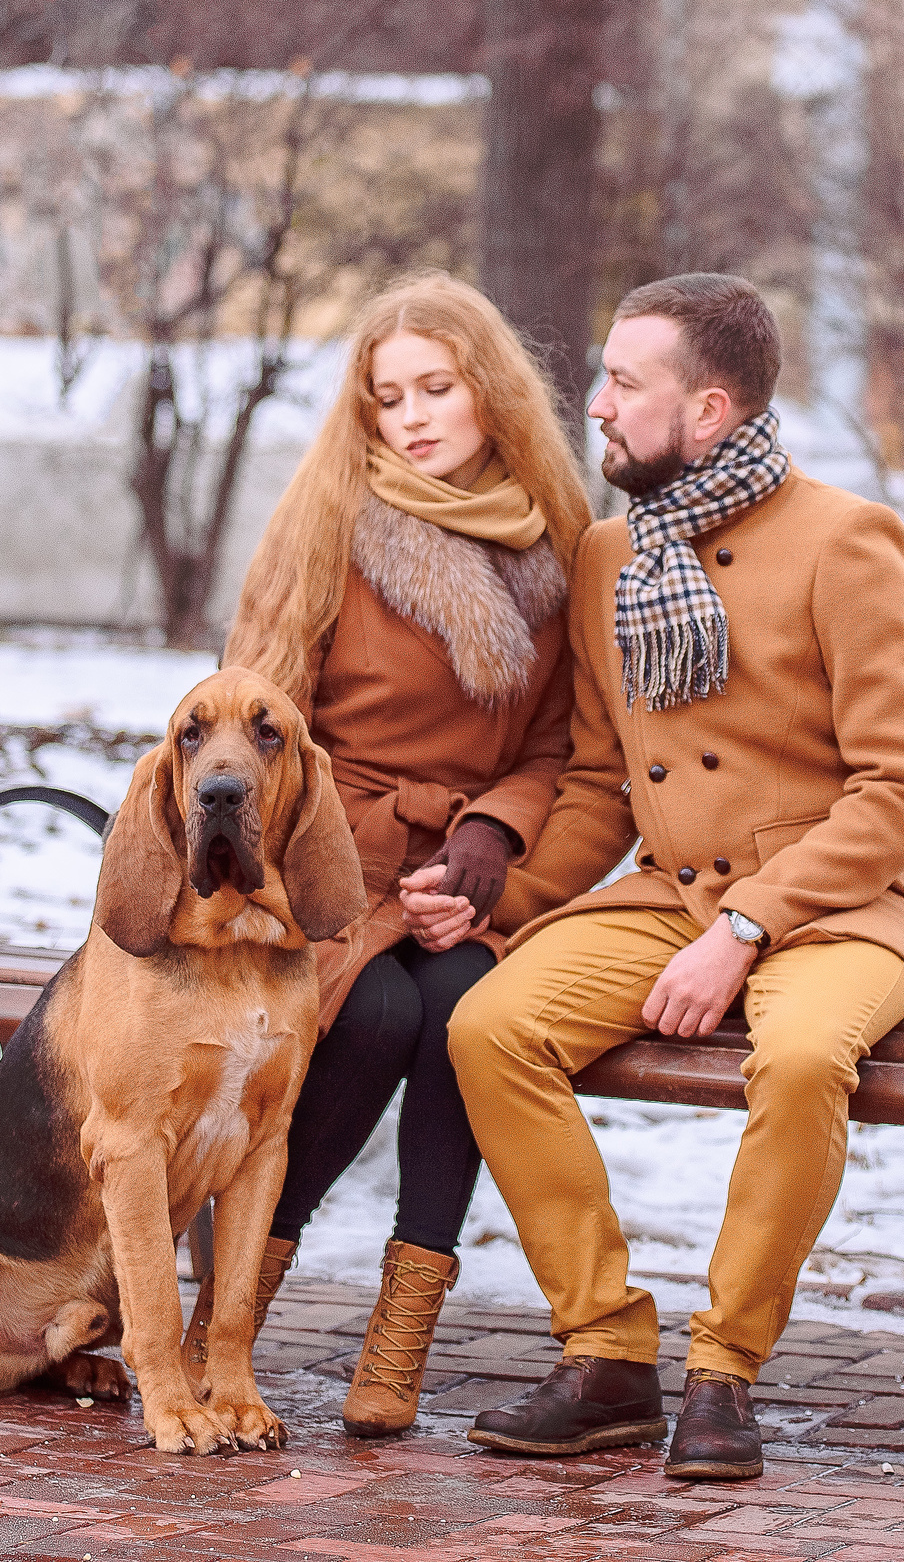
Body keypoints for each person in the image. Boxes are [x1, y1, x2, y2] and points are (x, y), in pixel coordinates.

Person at [411, 273, 904, 1481]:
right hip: (670, 895)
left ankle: (725, 1371)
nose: (594, 404)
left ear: (708, 411)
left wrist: (749, 926)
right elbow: (603, 778)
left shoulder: (847, 539)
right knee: (490, 1022)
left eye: (623, 381)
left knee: (805, 1056)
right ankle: (604, 1353)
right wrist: (499, 899)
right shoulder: (612, 554)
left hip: (837, 907)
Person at [215, 272, 592, 1437]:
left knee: (470, 1010)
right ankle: (231, 1315)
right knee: (373, 1011)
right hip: (324, 861)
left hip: (461, 880)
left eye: (438, 387)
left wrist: (489, 839)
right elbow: (254, 725)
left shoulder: (556, 538)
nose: (415, 416)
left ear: (491, 393)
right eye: (389, 397)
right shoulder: (326, 520)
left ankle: (400, 1340)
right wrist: (354, 863)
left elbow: (560, 743)